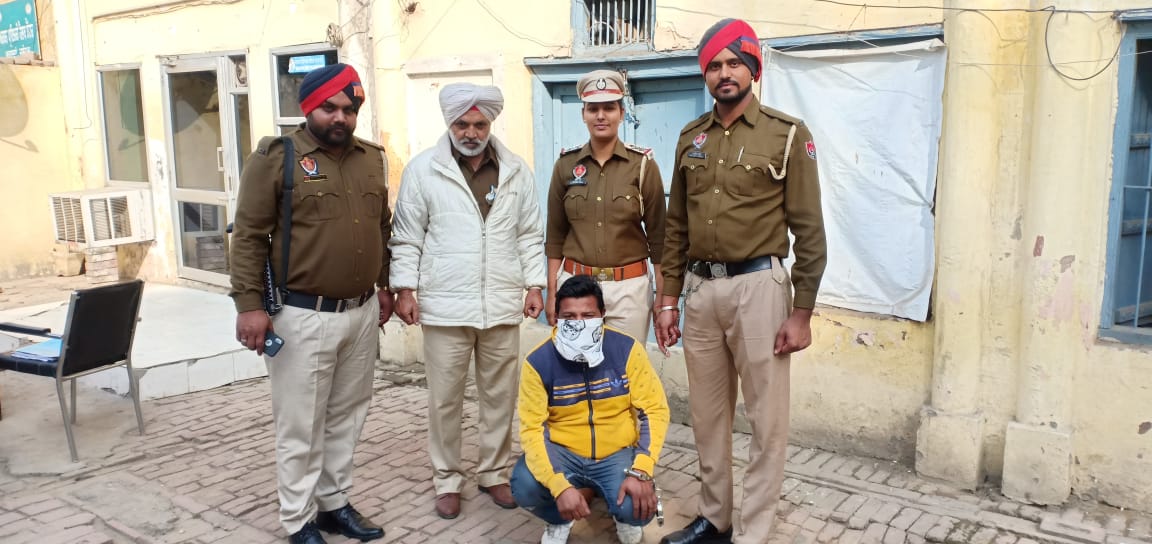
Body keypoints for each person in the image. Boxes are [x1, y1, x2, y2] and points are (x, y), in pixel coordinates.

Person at [655, 19, 828, 544]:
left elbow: (809, 229)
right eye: (714, 65)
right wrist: (667, 300)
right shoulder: (690, 138)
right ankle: (715, 518)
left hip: (760, 290)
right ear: (704, 74)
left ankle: (752, 531)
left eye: (734, 63)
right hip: (701, 291)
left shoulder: (787, 134)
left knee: (765, 420)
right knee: (707, 417)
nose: (724, 73)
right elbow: (677, 227)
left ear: (753, 68)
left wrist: (801, 312)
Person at [230, 63, 392, 544]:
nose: (340, 117)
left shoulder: (371, 159)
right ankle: (297, 520)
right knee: (300, 425)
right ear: (308, 108)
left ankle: (333, 504)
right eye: (329, 108)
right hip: (302, 315)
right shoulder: (277, 158)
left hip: (361, 312)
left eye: (349, 109)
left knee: (348, 415)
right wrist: (249, 306)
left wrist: (385, 286)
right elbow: (249, 237)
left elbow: (382, 227)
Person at [389, 82, 547, 520]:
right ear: (449, 123)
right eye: (462, 124)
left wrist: (535, 284)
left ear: (490, 123)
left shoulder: (515, 170)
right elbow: (407, 237)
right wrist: (405, 289)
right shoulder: (424, 170)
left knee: (500, 396)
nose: (471, 132)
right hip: (444, 306)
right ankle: (447, 480)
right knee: (444, 400)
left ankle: (493, 473)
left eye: (479, 124)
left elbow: (529, 233)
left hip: (501, 303)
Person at [511, 275, 670, 544]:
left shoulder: (626, 350)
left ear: (603, 315)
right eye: (569, 317)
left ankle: (621, 515)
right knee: (524, 486)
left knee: (636, 508)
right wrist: (559, 487)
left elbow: (655, 410)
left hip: (615, 452)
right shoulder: (538, 362)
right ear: (556, 318)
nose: (579, 323)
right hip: (563, 452)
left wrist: (642, 469)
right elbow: (532, 429)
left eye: (588, 315)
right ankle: (560, 518)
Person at [545, 69, 667, 348]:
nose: (601, 116)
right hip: (575, 287)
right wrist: (552, 292)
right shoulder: (566, 165)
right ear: (583, 114)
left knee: (624, 365)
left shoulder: (642, 165)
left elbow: (659, 238)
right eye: (593, 109)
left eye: (609, 108)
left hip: (629, 291)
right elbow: (555, 236)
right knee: (577, 365)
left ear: (621, 113)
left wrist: (662, 296)